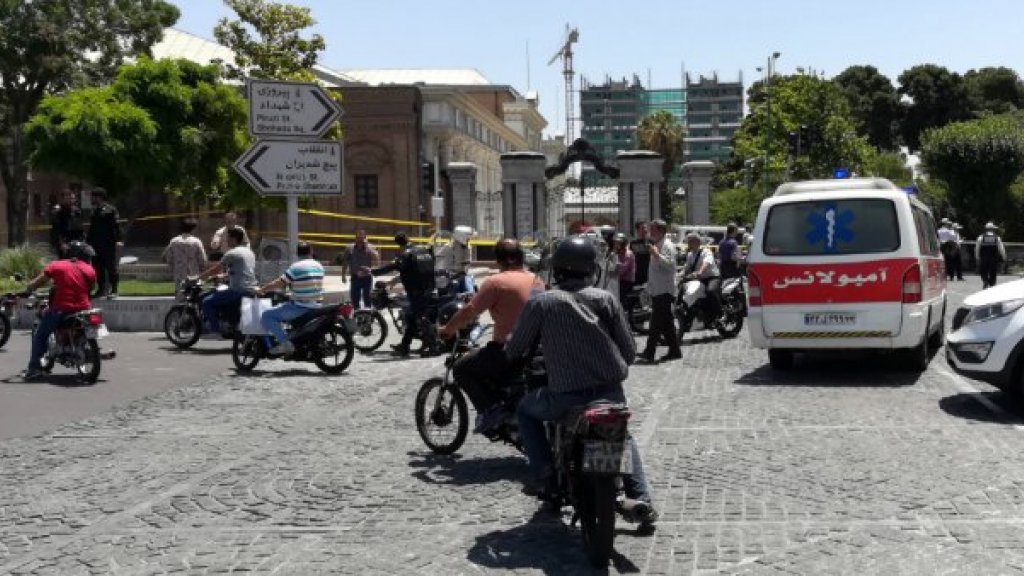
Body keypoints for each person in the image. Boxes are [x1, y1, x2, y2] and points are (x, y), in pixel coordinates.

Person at [507, 236, 658, 531]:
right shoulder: (606, 299)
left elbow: (515, 349)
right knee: (622, 436)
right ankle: (641, 499)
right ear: (591, 268)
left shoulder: (542, 302)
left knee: (525, 410)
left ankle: (545, 477)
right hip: (609, 394)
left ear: (556, 269)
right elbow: (629, 352)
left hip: (564, 397)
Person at [438, 239, 545, 432]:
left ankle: (490, 410)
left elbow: (470, 311)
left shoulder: (496, 282)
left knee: (461, 368)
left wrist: (448, 329)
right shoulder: (537, 280)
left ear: (500, 260)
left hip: (509, 351)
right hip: (538, 350)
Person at [21, 241, 96, 380]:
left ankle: (34, 369)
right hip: (84, 309)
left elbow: (39, 281)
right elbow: (91, 288)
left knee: (40, 335)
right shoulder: (89, 269)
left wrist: (29, 288)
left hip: (62, 309)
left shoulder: (57, 265)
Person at [367, 232, 436, 356]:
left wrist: (373, 272)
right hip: (428, 289)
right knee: (411, 317)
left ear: (398, 244)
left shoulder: (407, 254)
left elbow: (393, 266)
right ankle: (405, 346)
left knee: (421, 318)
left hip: (416, 291)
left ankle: (434, 346)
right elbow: (414, 270)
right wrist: (393, 281)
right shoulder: (423, 251)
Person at [256, 241, 324, 355]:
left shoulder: (296, 267)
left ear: (297, 253)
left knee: (267, 315)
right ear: (311, 252)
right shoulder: (319, 266)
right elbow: (309, 284)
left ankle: (285, 344)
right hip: (316, 305)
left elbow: (280, 283)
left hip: (300, 306)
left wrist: (263, 289)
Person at [194, 228, 257, 336]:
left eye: (228, 238)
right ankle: (231, 326)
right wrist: (224, 275)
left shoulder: (232, 253)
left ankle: (215, 331)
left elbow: (216, 268)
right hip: (251, 288)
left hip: (237, 290)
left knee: (206, 302)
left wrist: (196, 278)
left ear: (234, 239)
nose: (226, 241)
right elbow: (243, 270)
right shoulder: (249, 252)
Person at [639, 219, 681, 364]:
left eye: (653, 229)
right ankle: (675, 350)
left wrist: (657, 255)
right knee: (667, 324)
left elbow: (670, 266)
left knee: (655, 323)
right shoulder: (656, 244)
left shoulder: (667, 245)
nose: (650, 232)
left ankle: (649, 351)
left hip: (665, 291)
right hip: (658, 289)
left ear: (661, 231)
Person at [85, 188, 122, 299]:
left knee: (111, 267)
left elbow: (117, 226)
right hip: (95, 244)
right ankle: (101, 289)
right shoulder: (93, 211)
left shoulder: (111, 210)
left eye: (94, 197)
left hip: (108, 243)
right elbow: (91, 229)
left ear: (100, 197)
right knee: (97, 267)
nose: (92, 199)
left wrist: (119, 240)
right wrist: (87, 243)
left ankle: (114, 289)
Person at [163, 218, 208, 301]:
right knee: (195, 298)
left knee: (180, 297)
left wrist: (173, 268)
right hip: (193, 275)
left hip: (179, 274)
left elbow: (168, 258)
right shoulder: (196, 242)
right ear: (193, 229)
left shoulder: (174, 241)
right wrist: (202, 269)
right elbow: (203, 259)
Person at [683, 232, 722, 321]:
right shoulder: (690, 255)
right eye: (688, 241)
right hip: (699, 279)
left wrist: (700, 272)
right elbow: (687, 267)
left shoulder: (706, 252)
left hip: (712, 277)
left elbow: (706, 263)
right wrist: (681, 275)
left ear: (697, 242)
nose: (689, 243)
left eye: (691, 241)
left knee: (710, 291)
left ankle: (719, 314)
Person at [340, 230, 379, 309]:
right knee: (355, 299)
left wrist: (367, 247)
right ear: (355, 238)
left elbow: (376, 258)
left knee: (367, 299)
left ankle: (368, 315)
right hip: (355, 277)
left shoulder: (370, 247)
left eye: (362, 238)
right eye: (358, 237)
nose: (360, 240)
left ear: (365, 238)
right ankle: (357, 314)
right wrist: (343, 275)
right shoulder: (349, 248)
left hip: (367, 278)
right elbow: (345, 262)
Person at [50, 189, 85, 258]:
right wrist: (62, 243)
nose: (72, 200)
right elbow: (57, 229)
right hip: (64, 241)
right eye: (69, 198)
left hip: (76, 240)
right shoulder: (58, 211)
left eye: (73, 198)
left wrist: (82, 240)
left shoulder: (76, 210)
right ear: (63, 199)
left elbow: (79, 226)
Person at [976, 222, 1006, 289]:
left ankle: (985, 281)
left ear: (986, 229)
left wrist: (977, 257)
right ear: (993, 229)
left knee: (983, 271)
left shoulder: (981, 237)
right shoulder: (997, 238)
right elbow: (1001, 248)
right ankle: (991, 283)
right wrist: (1004, 256)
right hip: (993, 258)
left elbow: (977, 248)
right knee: (993, 272)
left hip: (984, 258)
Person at [614, 233, 636, 308]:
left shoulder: (628, 254)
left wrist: (614, 272)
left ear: (623, 244)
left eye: (618, 243)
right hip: (619, 281)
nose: (616, 245)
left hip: (626, 282)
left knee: (620, 301)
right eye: (616, 243)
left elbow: (622, 270)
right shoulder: (617, 253)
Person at [629, 221, 651, 287]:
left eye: (646, 228)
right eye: (643, 228)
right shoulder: (633, 243)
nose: (645, 229)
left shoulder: (651, 242)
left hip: (649, 275)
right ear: (637, 230)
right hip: (637, 276)